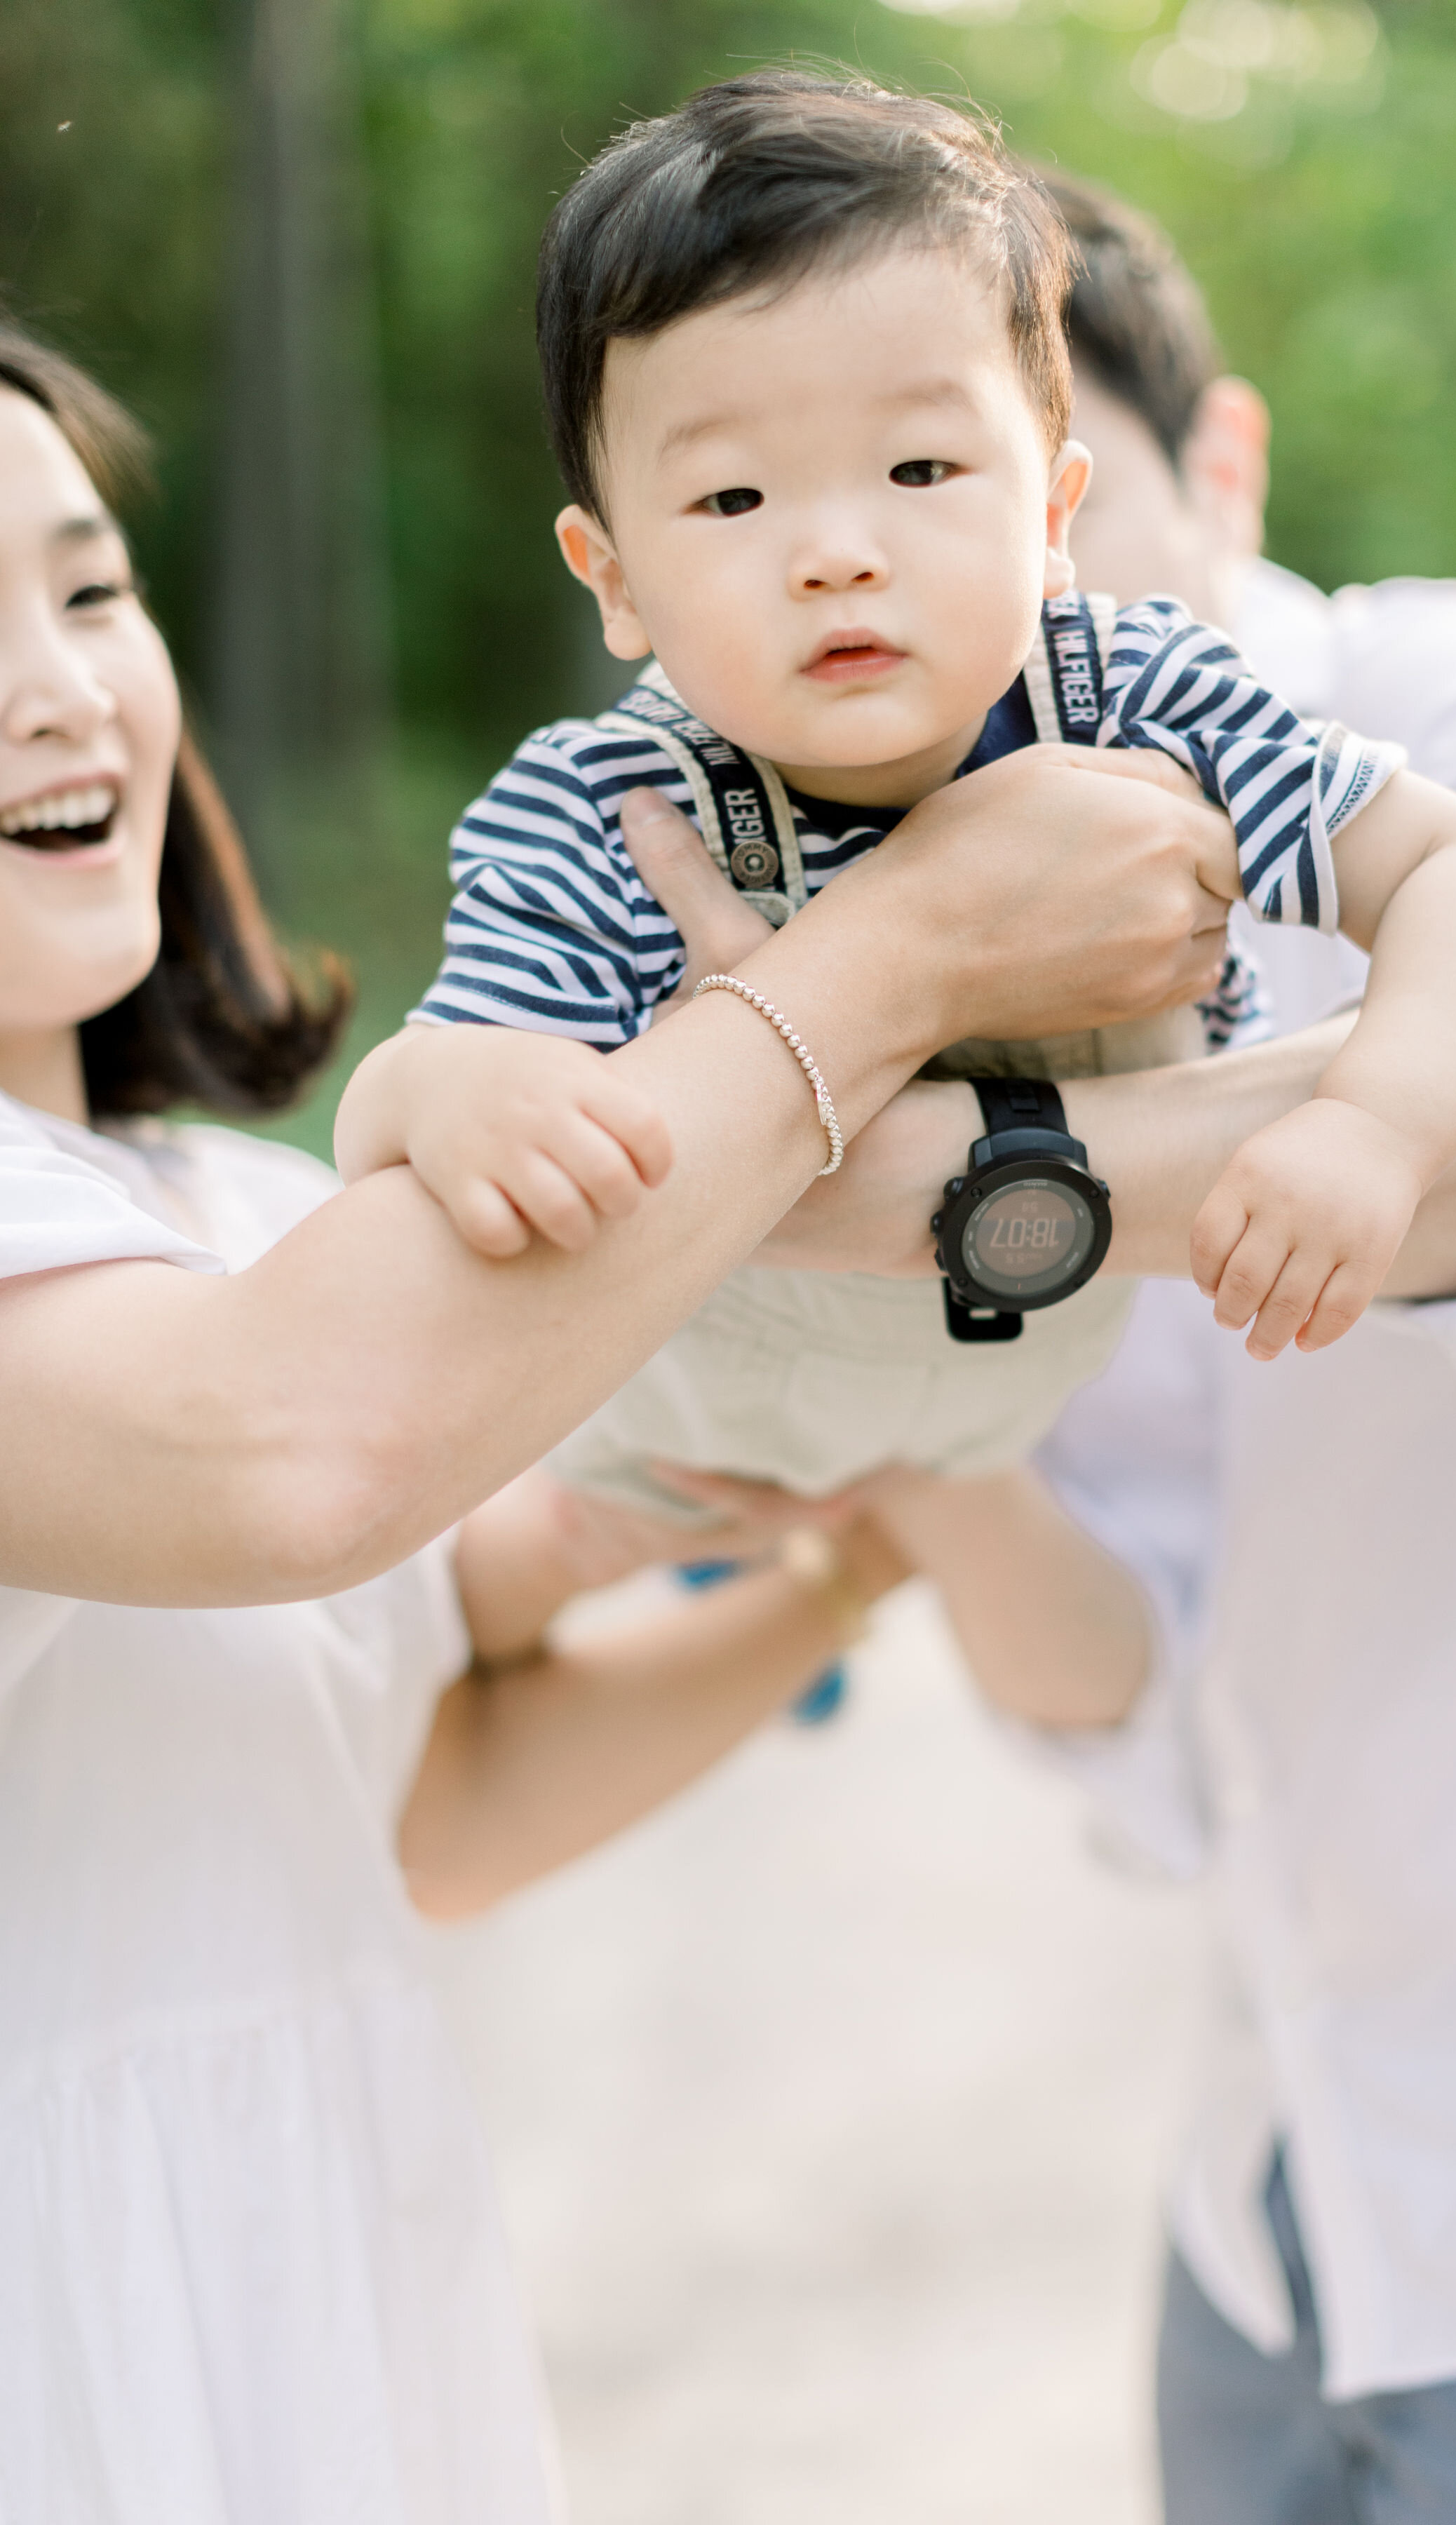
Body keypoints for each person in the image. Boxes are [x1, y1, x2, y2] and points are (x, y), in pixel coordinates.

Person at [0, 315, 1276, 2519]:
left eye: (91, 588)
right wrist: (911, 945)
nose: (59, 684)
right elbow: (289, 1461)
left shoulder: (228, 1208)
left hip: (318, 2280)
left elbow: (412, 1802)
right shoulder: (260, 1329)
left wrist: (855, 1519)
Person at [843, 177, 1456, 2524]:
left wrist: (819, 1173)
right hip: (1278, 2163)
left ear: (1212, 475)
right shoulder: (903, 923)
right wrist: (871, 1419)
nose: (966, 623)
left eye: (1000, 496)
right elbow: (1146, 1701)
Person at [336, 71, 1456, 1532]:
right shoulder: (610, 808)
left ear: (1053, 519)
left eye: (920, 467)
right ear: (614, 579)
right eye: (734, 500)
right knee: (560, 1571)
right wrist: (461, 1088)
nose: (838, 551)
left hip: (1009, 1396)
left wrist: (1375, 1127)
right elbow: (406, 1096)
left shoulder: (1137, 695)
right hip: (675, 1428)